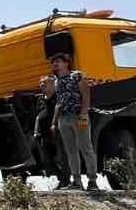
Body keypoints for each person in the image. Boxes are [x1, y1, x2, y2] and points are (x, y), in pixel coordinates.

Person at [41, 52, 98, 191]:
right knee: (70, 151)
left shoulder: (77, 75)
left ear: (66, 63)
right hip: (63, 119)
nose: (55, 64)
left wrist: (84, 114)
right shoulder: (56, 81)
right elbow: (56, 102)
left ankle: (92, 181)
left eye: (58, 61)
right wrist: (54, 122)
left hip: (78, 116)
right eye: (53, 62)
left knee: (86, 148)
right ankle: (77, 181)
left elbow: (86, 94)